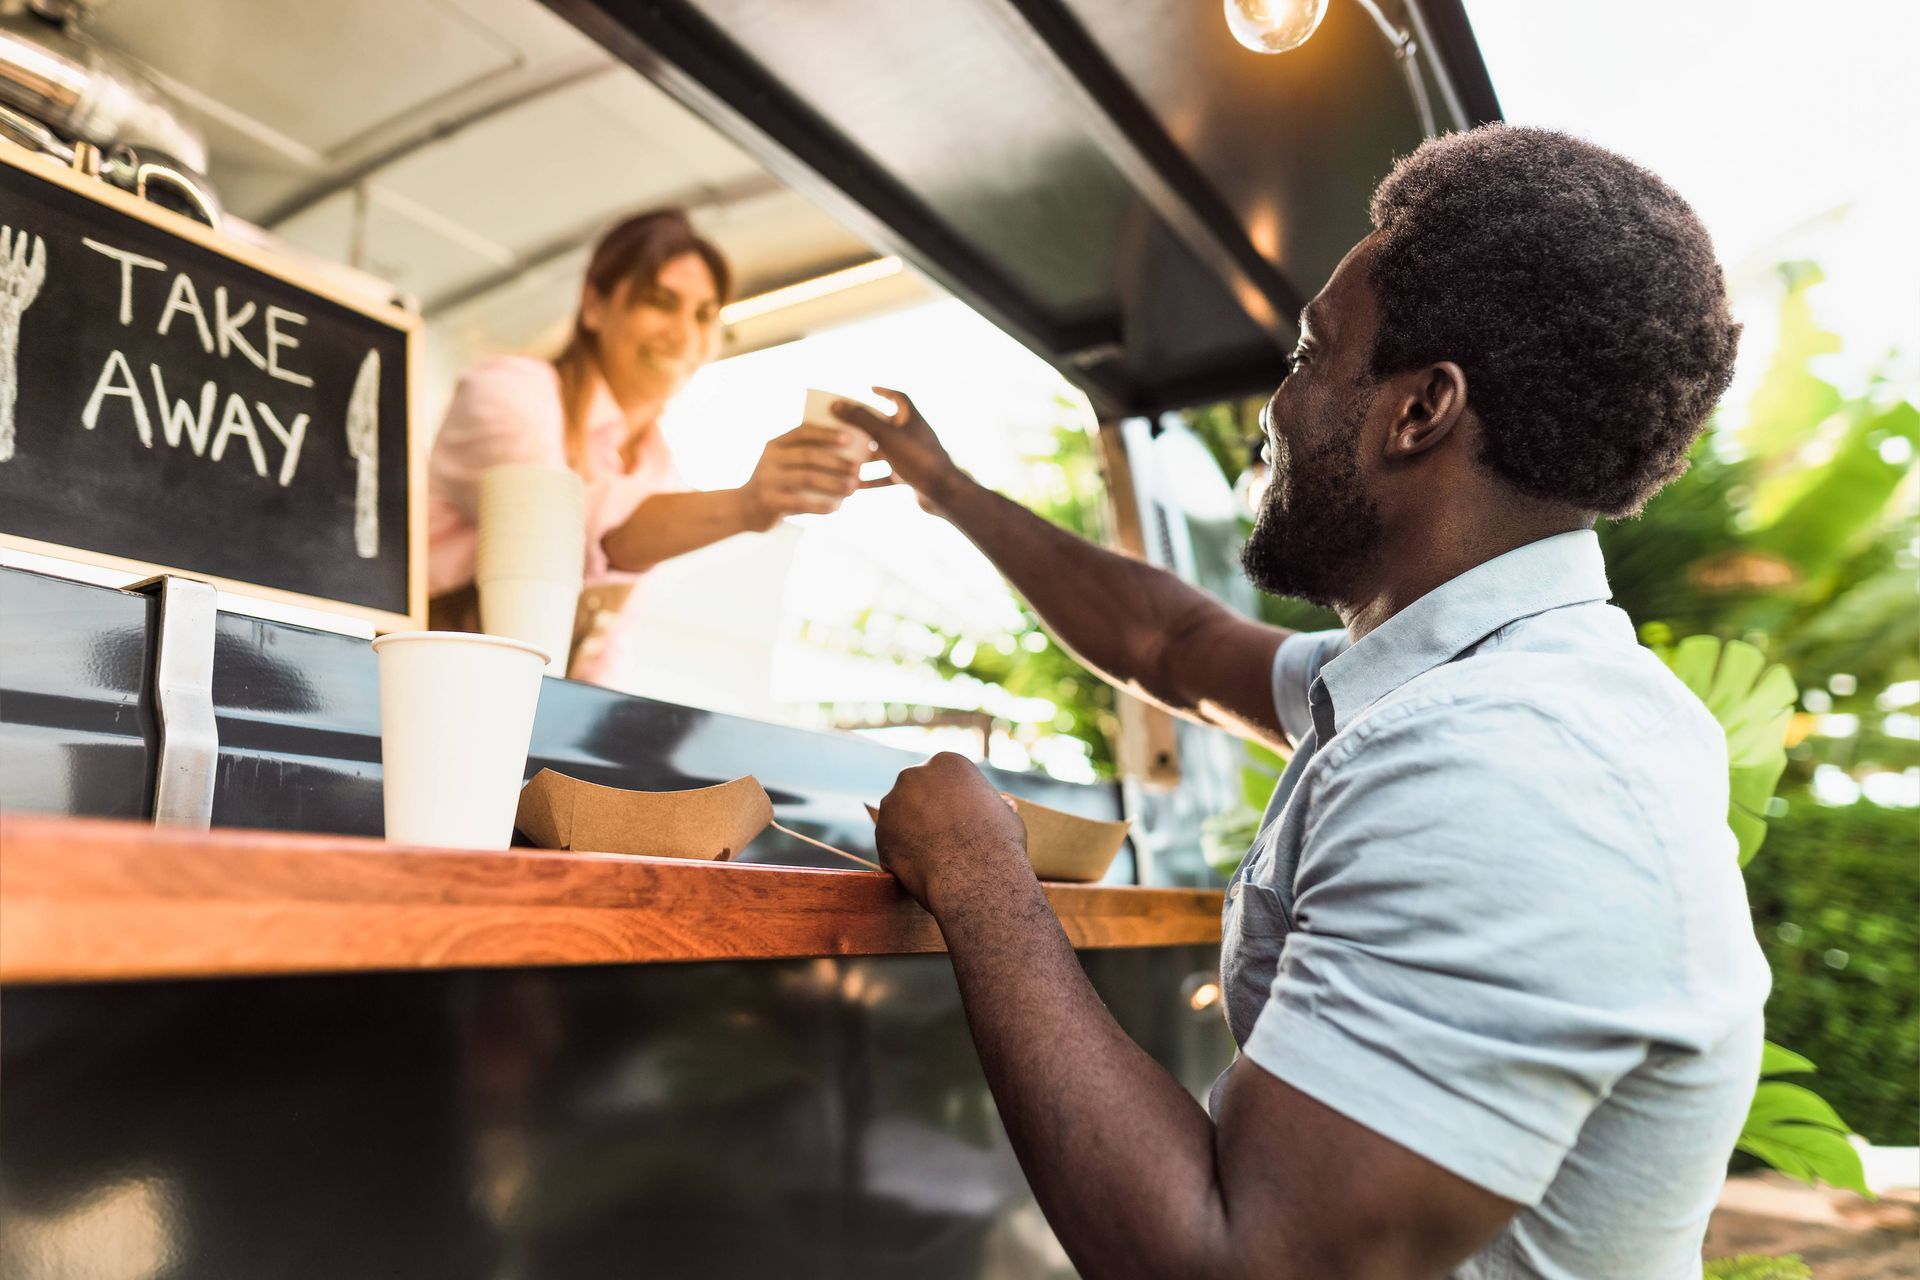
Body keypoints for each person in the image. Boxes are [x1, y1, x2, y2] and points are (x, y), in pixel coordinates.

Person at [842, 125, 1768, 1278]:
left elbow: (1236, 1257)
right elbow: (1169, 641)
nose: (1274, 411)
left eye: (1309, 355)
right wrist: (948, 491)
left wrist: (980, 874)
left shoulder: (1511, 764)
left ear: (1420, 411)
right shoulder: (1470, 678)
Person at [426, 209, 866, 682]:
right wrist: (748, 504)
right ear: (594, 305)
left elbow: (604, 640)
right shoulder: (509, 391)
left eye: (703, 315)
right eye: (659, 303)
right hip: (425, 681)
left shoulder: (659, 469)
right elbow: (563, 535)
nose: (683, 336)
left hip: (520, 699)